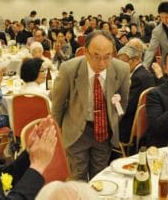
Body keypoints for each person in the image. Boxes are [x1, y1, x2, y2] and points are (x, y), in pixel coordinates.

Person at [52, 30, 130, 181]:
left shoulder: (122, 69)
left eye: (107, 57)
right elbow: (57, 106)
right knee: (78, 176)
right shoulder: (69, 69)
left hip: (104, 132)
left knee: (100, 176)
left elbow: (123, 103)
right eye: (96, 56)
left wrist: (111, 122)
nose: (102, 63)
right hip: (76, 130)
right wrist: (59, 133)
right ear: (86, 52)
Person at [117, 44, 155, 143]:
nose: (120, 67)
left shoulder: (138, 78)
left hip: (129, 126)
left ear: (136, 59)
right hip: (142, 124)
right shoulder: (145, 73)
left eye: (124, 62)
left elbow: (125, 107)